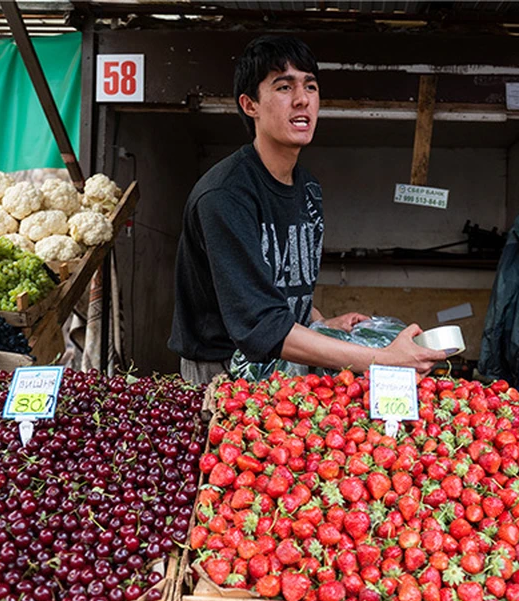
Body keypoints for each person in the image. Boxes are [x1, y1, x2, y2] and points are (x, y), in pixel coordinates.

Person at [169, 35, 445, 385]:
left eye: (310, 87)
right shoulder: (225, 196)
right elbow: (259, 324)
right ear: (250, 104)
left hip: (285, 364)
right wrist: (381, 359)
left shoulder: (308, 188)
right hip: (225, 372)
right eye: (284, 87)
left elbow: (276, 290)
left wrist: (320, 322)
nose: (302, 100)